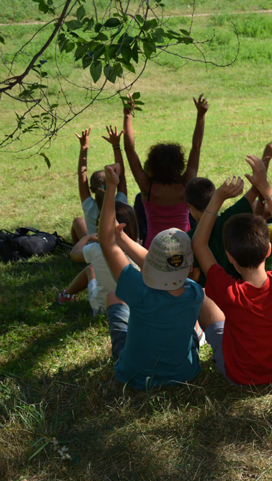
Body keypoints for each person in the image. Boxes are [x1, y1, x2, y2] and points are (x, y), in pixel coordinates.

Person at [97, 163, 204, 390]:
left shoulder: (138, 290)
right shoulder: (195, 292)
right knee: (192, 331)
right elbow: (164, 267)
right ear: (190, 266)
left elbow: (106, 241)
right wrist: (124, 240)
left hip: (135, 377)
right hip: (185, 373)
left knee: (115, 303)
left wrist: (111, 190)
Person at [193, 158, 272, 387]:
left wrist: (218, 198)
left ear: (230, 258)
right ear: (269, 250)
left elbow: (199, 244)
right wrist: (264, 185)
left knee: (202, 295)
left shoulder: (228, 292)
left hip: (240, 376)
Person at [122, 93, 209, 248]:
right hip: (183, 250)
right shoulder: (185, 186)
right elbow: (196, 148)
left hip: (154, 251)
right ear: (179, 164)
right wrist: (201, 115)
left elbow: (130, 150)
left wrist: (128, 115)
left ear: (151, 164)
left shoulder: (148, 189)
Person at [59, 126, 131, 304]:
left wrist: (84, 147)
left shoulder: (90, 206)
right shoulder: (122, 202)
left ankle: (67, 292)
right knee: (78, 222)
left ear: (92, 190)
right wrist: (116, 146)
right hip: (118, 247)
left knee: (78, 221)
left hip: (95, 246)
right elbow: (123, 173)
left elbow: (81, 175)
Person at [184, 171, 260, 287]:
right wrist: (266, 159)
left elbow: (195, 276)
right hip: (237, 287)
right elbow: (255, 189)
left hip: (208, 296)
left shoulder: (189, 237)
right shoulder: (230, 219)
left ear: (191, 206)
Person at [67, 202, 140, 316]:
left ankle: (66, 295)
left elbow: (74, 254)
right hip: (132, 309)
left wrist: (87, 237)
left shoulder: (95, 249)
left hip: (102, 308)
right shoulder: (138, 250)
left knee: (89, 269)